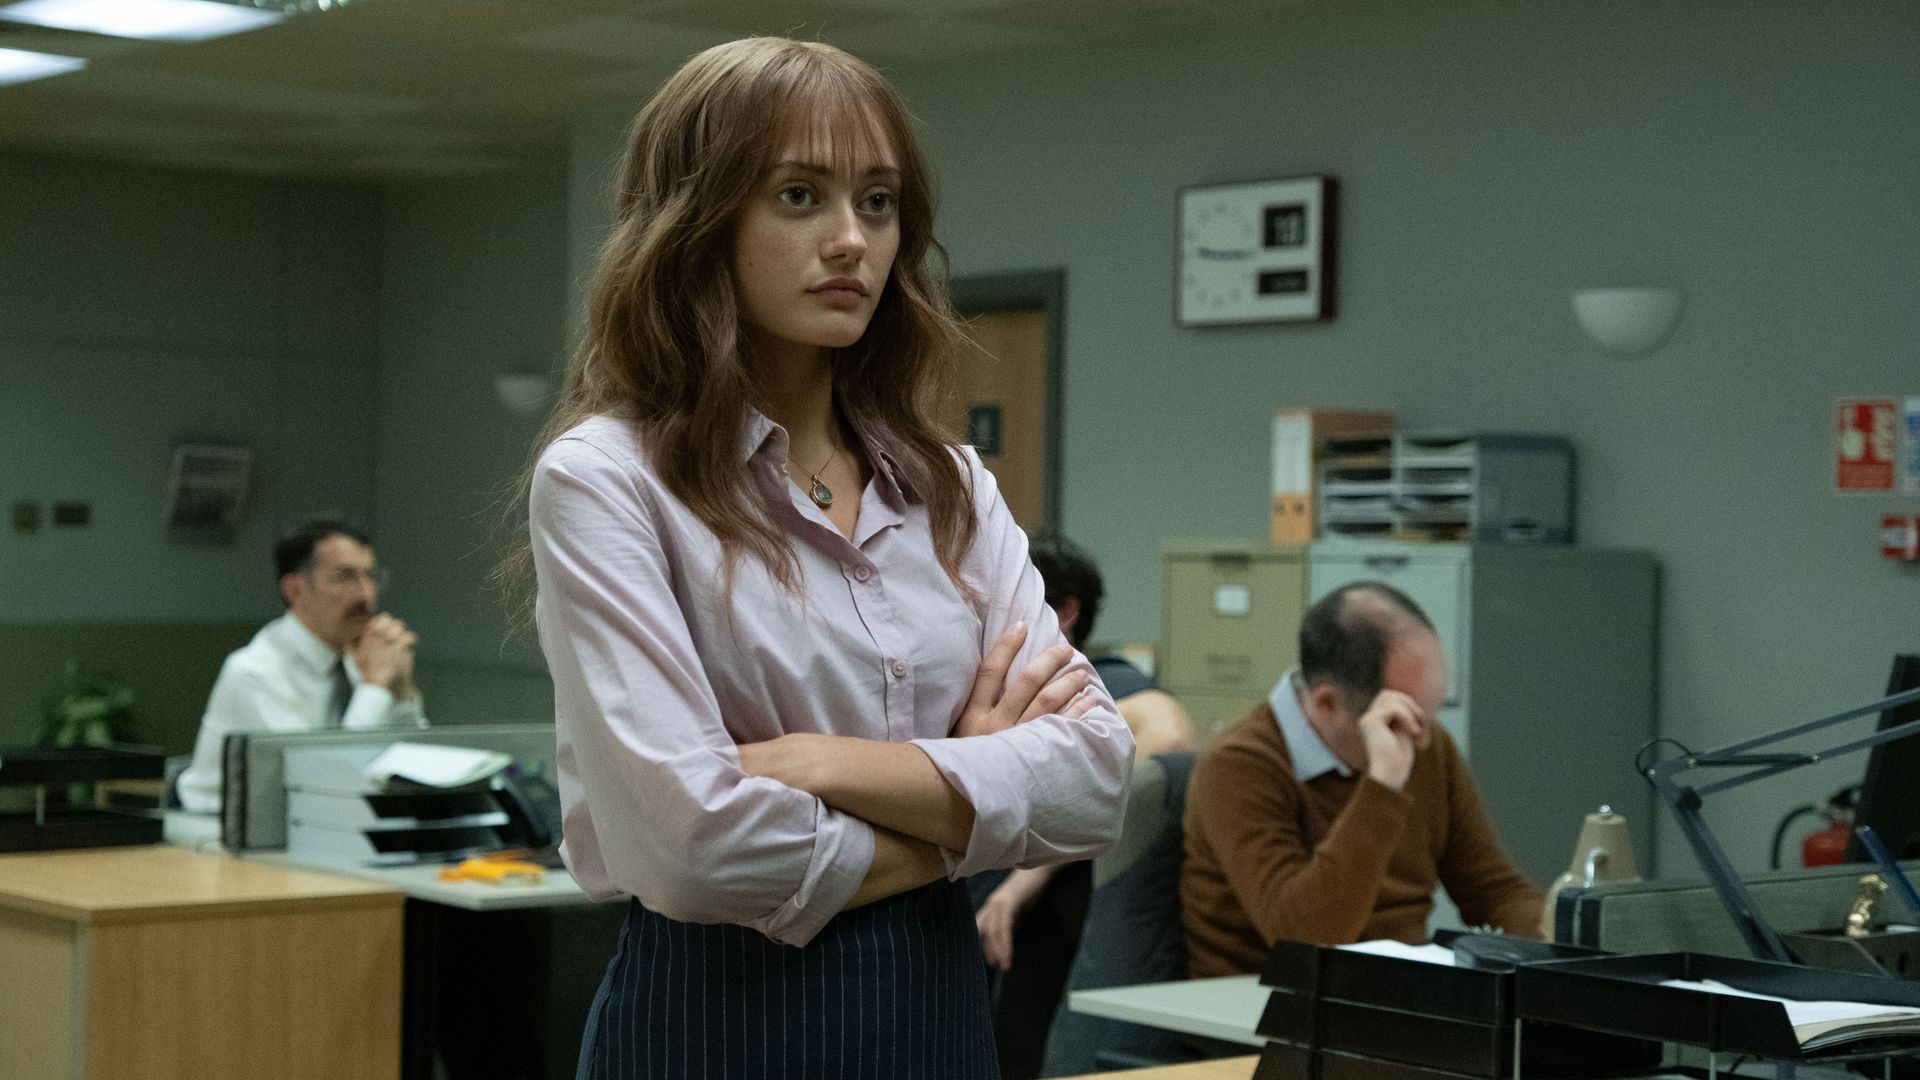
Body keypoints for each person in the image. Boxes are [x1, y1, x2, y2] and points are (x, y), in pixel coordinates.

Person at [507, 37, 1134, 1079]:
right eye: (799, 195)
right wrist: (968, 817)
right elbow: (694, 848)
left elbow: (1098, 783)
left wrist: (832, 766)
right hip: (713, 1021)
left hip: (937, 1017)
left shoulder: (948, 482)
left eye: (878, 202)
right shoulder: (607, 478)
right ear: (697, 223)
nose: (851, 240)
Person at [1181, 581, 1542, 976]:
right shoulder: (1240, 764)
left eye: (1429, 714)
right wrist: (1382, 786)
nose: (1421, 737)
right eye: (1401, 719)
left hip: (1394, 991)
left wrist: (1566, 934)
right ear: (1327, 704)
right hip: (1269, 1001)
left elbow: (1492, 891)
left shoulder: (1427, 744)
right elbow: (1305, 935)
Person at [970, 531, 1194, 1078]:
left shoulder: (1107, 685)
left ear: (1065, 613)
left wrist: (1026, 881)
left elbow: (1170, 746)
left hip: (1042, 925)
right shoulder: (988, 688)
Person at [176, 519, 424, 814]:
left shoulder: (362, 658)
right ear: (295, 591)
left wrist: (400, 690)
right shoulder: (254, 672)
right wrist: (375, 685)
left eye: (370, 576)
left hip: (320, 828)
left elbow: (413, 769)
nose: (366, 595)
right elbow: (321, 786)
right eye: (345, 577)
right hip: (211, 834)